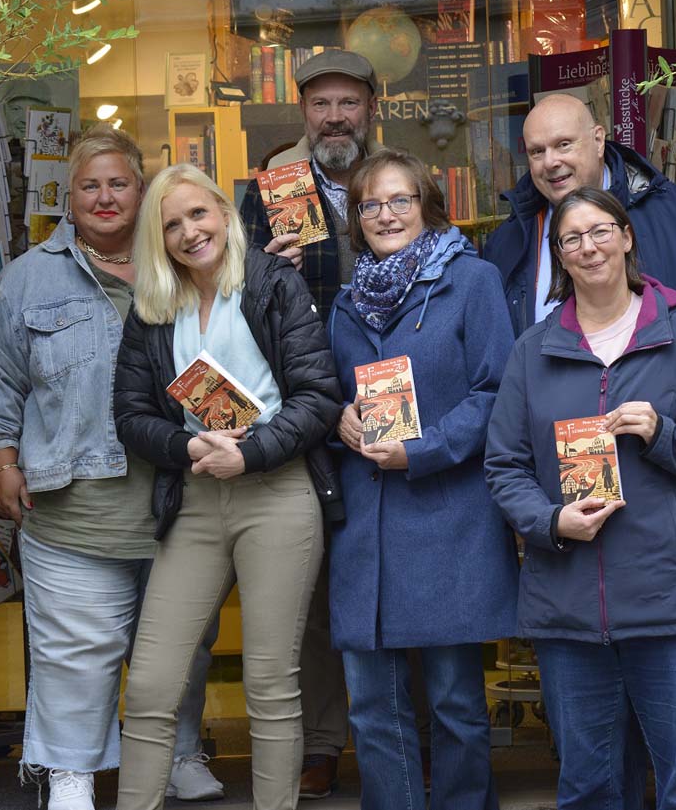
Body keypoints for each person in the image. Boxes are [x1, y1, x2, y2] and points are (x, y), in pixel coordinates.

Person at [0, 125, 222, 810]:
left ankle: (179, 751)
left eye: (120, 183)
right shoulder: (27, 278)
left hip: (181, 503)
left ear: (142, 192)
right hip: (74, 507)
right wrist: (0, 456)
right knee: (76, 654)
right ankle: (71, 773)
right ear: (68, 197)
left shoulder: (184, 263)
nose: (106, 196)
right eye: (90, 185)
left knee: (182, 649)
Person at [484, 187, 676, 810]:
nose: (589, 247)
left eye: (601, 231)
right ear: (559, 256)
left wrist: (663, 434)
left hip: (673, 600)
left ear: (627, 237)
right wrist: (550, 522)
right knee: (588, 787)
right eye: (571, 239)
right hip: (569, 606)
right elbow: (505, 466)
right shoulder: (533, 351)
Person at [112, 163, 343, 810]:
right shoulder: (155, 306)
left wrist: (254, 453)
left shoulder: (272, 283)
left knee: (270, 685)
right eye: (172, 224)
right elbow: (131, 413)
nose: (189, 232)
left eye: (198, 214)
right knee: (153, 684)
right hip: (193, 499)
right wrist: (187, 446)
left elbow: (318, 396)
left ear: (222, 211)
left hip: (277, 496)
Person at [482, 94, 676, 524]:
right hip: (555, 493)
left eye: (564, 144)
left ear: (599, 140)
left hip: (667, 478)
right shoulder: (510, 241)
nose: (550, 162)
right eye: (537, 151)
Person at [328, 148, 518, 810]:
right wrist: (341, 419)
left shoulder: (472, 281)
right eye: (370, 204)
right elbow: (332, 391)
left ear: (429, 207)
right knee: (373, 708)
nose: (385, 214)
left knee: (454, 702)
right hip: (367, 527)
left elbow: (497, 392)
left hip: (448, 517)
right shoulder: (349, 300)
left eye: (399, 200)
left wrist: (425, 449)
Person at [238, 48, 383, 798]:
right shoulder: (265, 192)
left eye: (347, 104)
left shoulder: (399, 178)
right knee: (319, 590)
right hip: (301, 409)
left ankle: (402, 735)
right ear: (302, 112)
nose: (334, 117)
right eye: (320, 104)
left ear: (370, 107)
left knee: (398, 575)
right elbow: (223, 298)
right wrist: (263, 272)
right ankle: (324, 738)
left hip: (391, 403)